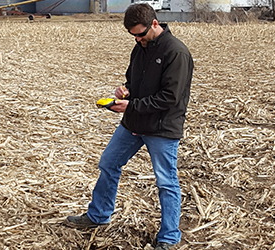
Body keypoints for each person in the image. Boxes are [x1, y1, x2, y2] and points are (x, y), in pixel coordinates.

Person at [63, 3, 193, 250]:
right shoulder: (140, 48)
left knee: (166, 182)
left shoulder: (176, 53)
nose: (137, 39)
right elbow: (134, 81)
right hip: (134, 122)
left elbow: (170, 98)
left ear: (154, 24)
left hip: (162, 127)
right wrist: (125, 90)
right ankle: (98, 216)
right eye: (133, 35)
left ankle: (169, 237)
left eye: (140, 34)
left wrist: (130, 106)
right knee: (108, 163)